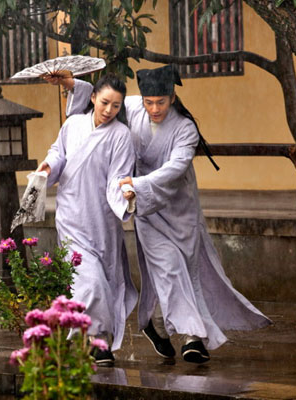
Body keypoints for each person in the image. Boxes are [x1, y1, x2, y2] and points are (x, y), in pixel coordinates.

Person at [56, 65, 272, 364]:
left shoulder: (185, 128)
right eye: (149, 102)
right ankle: (192, 338)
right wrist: (74, 85)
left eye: (161, 102)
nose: (154, 108)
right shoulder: (131, 107)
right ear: (141, 98)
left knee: (184, 271)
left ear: (172, 98)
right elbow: (100, 105)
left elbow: (176, 168)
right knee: (169, 268)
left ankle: (154, 324)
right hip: (146, 207)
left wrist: (139, 183)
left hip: (177, 207)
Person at [36, 74, 137, 367]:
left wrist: (126, 194)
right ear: (93, 98)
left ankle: (92, 339)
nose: (109, 110)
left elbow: (118, 176)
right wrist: (48, 166)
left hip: (101, 218)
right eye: (105, 102)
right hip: (70, 215)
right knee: (88, 280)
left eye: (116, 106)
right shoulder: (73, 125)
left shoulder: (121, 136)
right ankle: (98, 341)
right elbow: (58, 153)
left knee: (104, 280)